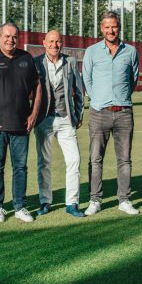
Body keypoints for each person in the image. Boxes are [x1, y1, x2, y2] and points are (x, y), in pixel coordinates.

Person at [0, 22, 42, 224]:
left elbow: (38, 86)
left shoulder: (26, 58)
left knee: (20, 167)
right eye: (7, 36)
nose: (10, 40)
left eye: (14, 37)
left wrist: (33, 114)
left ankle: (20, 206)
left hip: (22, 125)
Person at [81, 11, 140, 216]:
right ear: (101, 28)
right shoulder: (91, 51)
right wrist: (97, 100)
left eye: (114, 26)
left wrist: (120, 98)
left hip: (124, 113)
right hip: (99, 113)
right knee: (95, 159)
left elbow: (132, 80)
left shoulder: (131, 51)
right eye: (107, 27)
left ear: (119, 27)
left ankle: (124, 200)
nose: (110, 30)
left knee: (124, 159)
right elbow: (86, 80)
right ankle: (95, 200)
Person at [33, 30, 87, 218]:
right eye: (51, 41)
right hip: (43, 120)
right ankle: (45, 201)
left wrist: (78, 114)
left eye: (58, 42)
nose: (55, 45)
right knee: (44, 162)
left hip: (66, 120)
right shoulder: (36, 62)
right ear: (44, 43)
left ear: (62, 43)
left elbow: (78, 90)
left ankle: (72, 203)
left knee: (74, 160)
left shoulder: (70, 62)